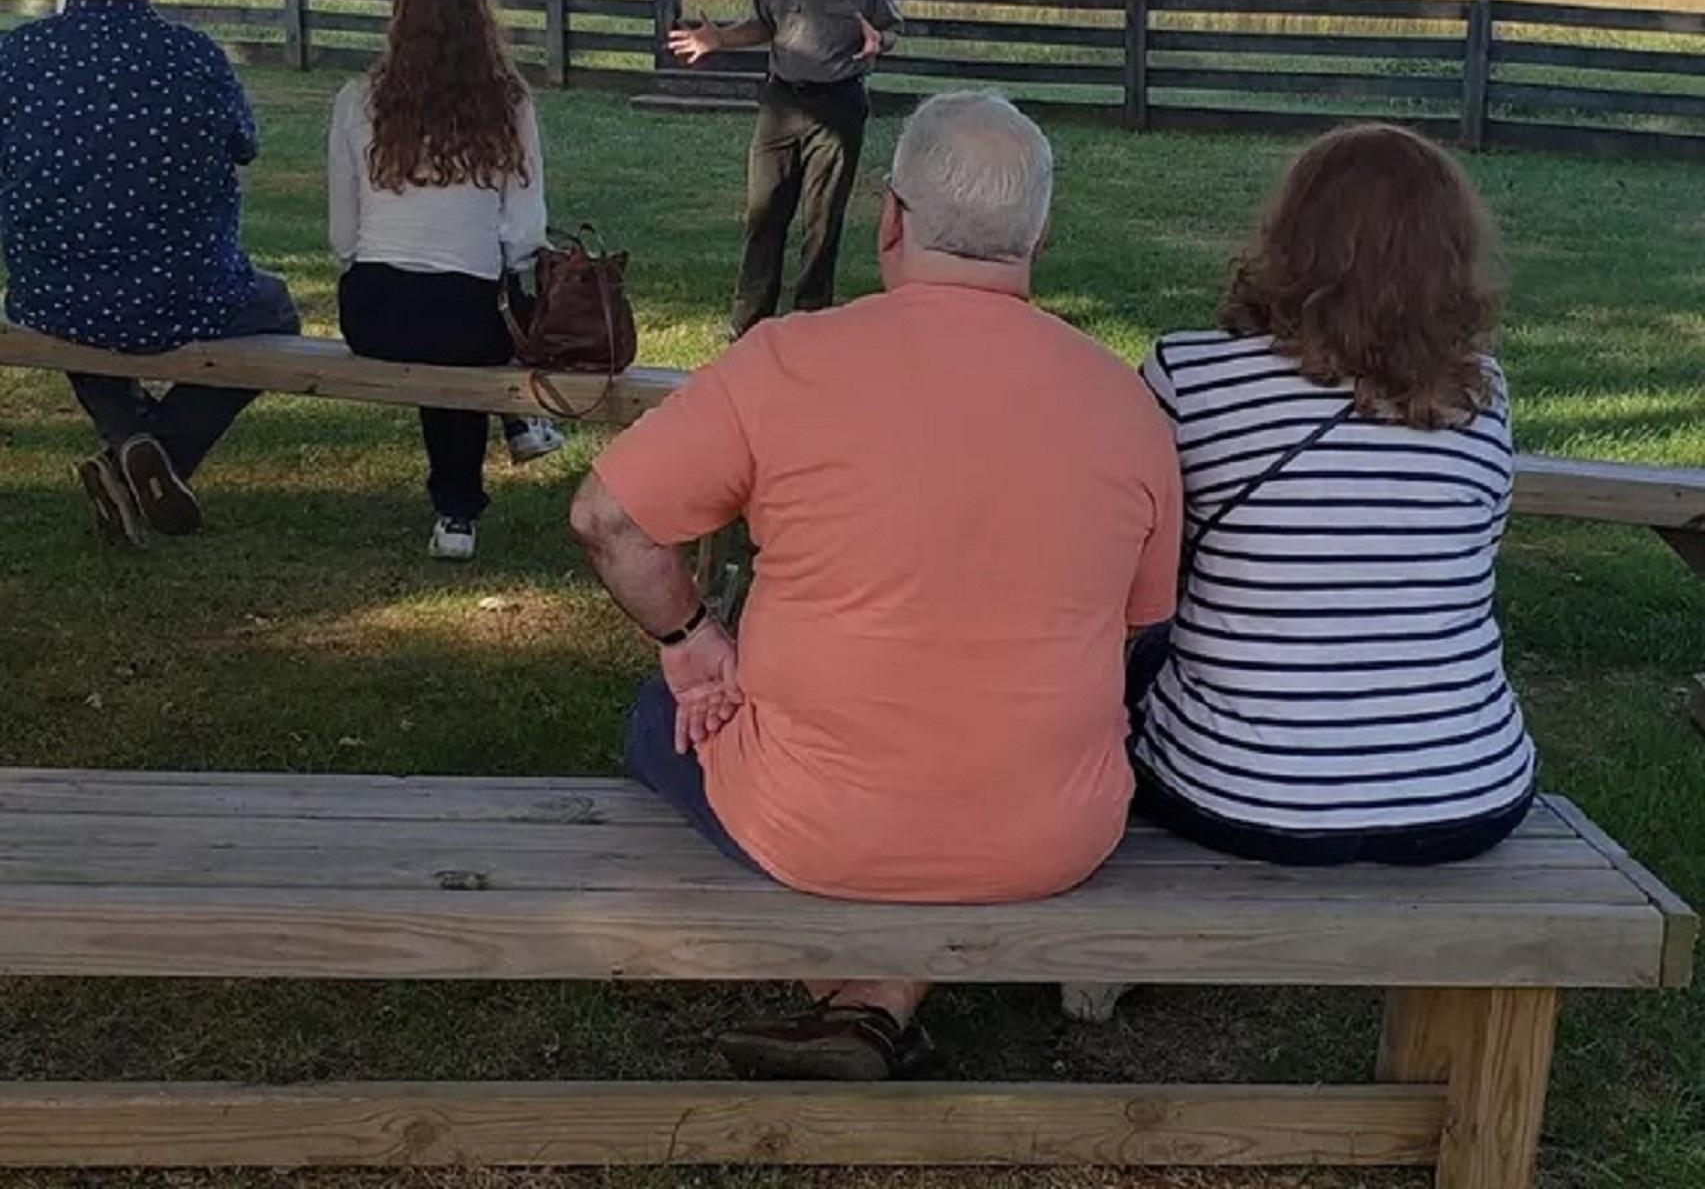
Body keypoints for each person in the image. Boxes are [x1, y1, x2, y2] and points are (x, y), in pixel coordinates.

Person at [570, 92, 1182, 1079]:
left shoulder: (784, 363)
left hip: (817, 825)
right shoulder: (1124, 402)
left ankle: (860, 991)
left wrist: (689, 642)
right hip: (1053, 830)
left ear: (889, 219)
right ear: (1041, 234)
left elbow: (606, 518)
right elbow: (1136, 627)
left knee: (663, 718)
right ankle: (883, 1000)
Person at [1128, 123, 1538, 866]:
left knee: (1137, 653)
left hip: (1244, 790)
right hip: (1466, 788)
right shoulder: (1481, 391)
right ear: (1450, 254)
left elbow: (1141, 564)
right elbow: (1479, 555)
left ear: (1289, 237)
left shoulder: (1188, 375)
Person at [0, 0, 301, 548]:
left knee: (80, 296)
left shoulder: (13, 60)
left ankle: (128, 440)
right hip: (184, 295)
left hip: (50, 294)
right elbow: (243, 143)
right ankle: (153, 453)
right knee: (277, 314)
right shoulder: (193, 56)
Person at [328, 0, 564, 563]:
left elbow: (343, 233)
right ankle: (461, 504)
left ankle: (473, 488)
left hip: (374, 310)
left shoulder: (357, 99)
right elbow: (524, 231)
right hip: (467, 314)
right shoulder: (508, 102)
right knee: (469, 322)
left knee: (441, 327)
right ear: (478, 17)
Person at [667, 0, 903, 340]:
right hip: (781, 104)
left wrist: (881, 41)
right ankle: (749, 322)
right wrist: (719, 40)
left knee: (821, 218)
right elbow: (763, 25)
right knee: (764, 212)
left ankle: (810, 320)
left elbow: (890, 28)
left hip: (838, 106)